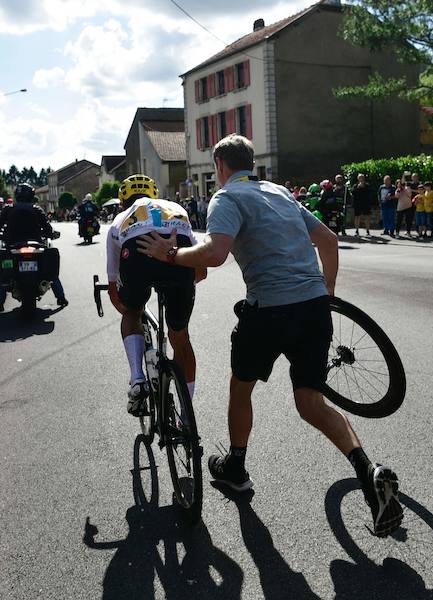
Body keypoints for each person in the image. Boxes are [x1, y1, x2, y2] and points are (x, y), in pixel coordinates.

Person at [136, 135, 403, 538]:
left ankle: (236, 467)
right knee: (311, 402)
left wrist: (169, 255)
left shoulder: (226, 198)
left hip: (269, 311)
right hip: (313, 308)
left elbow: (215, 253)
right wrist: (325, 294)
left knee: (240, 387)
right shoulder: (280, 192)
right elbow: (328, 241)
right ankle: (369, 471)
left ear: (221, 166)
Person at [105, 174, 205, 416]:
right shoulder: (175, 208)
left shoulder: (120, 218)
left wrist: (132, 313)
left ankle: (138, 379)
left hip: (136, 256)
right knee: (180, 336)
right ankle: (186, 413)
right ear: (155, 197)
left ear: (122, 203)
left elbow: (112, 286)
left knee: (132, 312)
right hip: (177, 255)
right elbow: (200, 272)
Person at [0, 183, 68, 311]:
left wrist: (1, 234)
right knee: (51, 273)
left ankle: (0, 303)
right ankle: (60, 297)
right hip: (35, 246)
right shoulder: (37, 209)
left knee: (4, 276)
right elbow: (48, 229)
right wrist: (52, 234)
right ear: (31, 195)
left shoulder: (8, 209)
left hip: (13, 247)